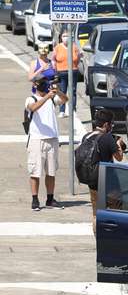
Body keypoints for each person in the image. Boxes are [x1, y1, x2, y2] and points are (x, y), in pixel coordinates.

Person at [26, 77, 68, 211]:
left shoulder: (52, 99)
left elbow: (65, 100)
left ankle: (50, 199)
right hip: (37, 139)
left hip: (52, 139)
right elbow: (33, 108)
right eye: (43, 85)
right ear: (36, 86)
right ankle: (35, 199)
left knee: (51, 171)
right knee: (35, 171)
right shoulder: (30, 99)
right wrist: (46, 96)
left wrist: (58, 92)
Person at [85, 109, 125, 232]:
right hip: (109, 183)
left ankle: (98, 238)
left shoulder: (87, 136)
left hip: (93, 182)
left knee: (96, 214)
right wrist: (117, 143)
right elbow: (119, 157)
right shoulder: (107, 138)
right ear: (106, 124)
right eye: (111, 124)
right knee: (116, 213)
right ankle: (113, 237)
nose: (111, 126)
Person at [52, 33, 80, 117]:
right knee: (62, 91)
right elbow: (53, 59)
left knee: (73, 91)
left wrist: (75, 65)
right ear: (61, 38)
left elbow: (78, 58)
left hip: (73, 71)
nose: (66, 38)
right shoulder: (57, 47)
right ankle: (62, 110)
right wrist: (55, 70)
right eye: (64, 36)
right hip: (61, 72)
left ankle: (72, 110)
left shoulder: (74, 47)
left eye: (67, 36)